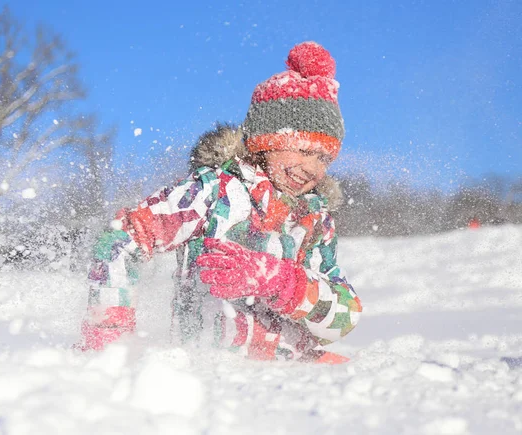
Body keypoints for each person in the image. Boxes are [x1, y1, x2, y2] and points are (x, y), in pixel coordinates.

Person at [79, 41, 363, 363]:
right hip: (219, 380)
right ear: (264, 141)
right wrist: (109, 340)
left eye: (324, 158)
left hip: (294, 380)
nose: (312, 168)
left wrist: (282, 281)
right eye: (302, 149)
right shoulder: (212, 192)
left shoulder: (314, 219)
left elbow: (345, 317)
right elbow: (122, 239)